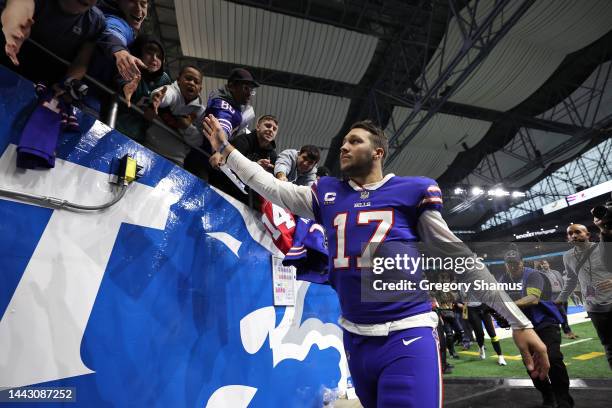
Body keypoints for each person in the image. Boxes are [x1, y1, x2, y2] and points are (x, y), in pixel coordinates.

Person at [202, 115, 549, 407]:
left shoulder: (412, 190)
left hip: (407, 333)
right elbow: (271, 187)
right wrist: (227, 149)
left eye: (354, 141)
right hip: (354, 337)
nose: (344, 147)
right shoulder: (327, 193)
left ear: (378, 152)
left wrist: (520, 323)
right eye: (344, 143)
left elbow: (462, 259)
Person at [503, 249, 573, 408]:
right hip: (524, 327)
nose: (513, 266)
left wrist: (507, 306)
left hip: (545, 322)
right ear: (506, 265)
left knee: (553, 359)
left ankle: (564, 400)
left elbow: (533, 299)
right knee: (532, 365)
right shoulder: (503, 280)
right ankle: (547, 395)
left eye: (516, 262)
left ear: (522, 262)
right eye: (510, 263)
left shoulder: (533, 275)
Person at [556, 221, 612, 370]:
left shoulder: (603, 248)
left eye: (578, 232)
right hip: (595, 308)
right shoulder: (567, 256)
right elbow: (570, 280)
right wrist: (561, 298)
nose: (574, 235)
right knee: (608, 345)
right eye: (570, 233)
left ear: (587, 235)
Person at [184, 67, 258, 179]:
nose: (249, 94)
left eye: (251, 90)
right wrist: (219, 150)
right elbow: (222, 126)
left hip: (209, 162)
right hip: (200, 162)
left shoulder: (235, 106)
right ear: (232, 86)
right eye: (246, 88)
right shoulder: (222, 104)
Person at [208, 114, 279, 205]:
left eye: (274, 129)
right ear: (257, 127)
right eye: (268, 126)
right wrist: (255, 166)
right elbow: (231, 166)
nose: (271, 130)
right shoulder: (243, 140)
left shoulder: (272, 156)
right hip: (226, 184)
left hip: (248, 194)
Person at [115, 35, 171, 142]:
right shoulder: (129, 67)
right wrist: (124, 88)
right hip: (115, 126)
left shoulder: (165, 80)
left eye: (159, 56)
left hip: (141, 138)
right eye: (149, 53)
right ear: (139, 52)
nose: (154, 58)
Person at [144, 65, 203, 166]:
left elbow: (198, 142)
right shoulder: (172, 91)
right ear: (178, 80)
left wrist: (187, 127)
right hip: (149, 148)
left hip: (176, 160)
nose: (192, 83)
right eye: (188, 78)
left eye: (196, 82)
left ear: (200, 89)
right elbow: (166, 94)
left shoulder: (201, 112)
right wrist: (158, 98)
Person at [536, 259, 577, 339]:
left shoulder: (556, 272)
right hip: (552, 297)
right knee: (562, 314)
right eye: (542, 264)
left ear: (548, 264)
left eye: (545, 263)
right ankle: (567, 332)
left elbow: (563, 283)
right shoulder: (540, 274)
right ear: (540, 266)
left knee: (564, 314)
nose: (544, 265)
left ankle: (564, 331)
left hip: (562, 295)